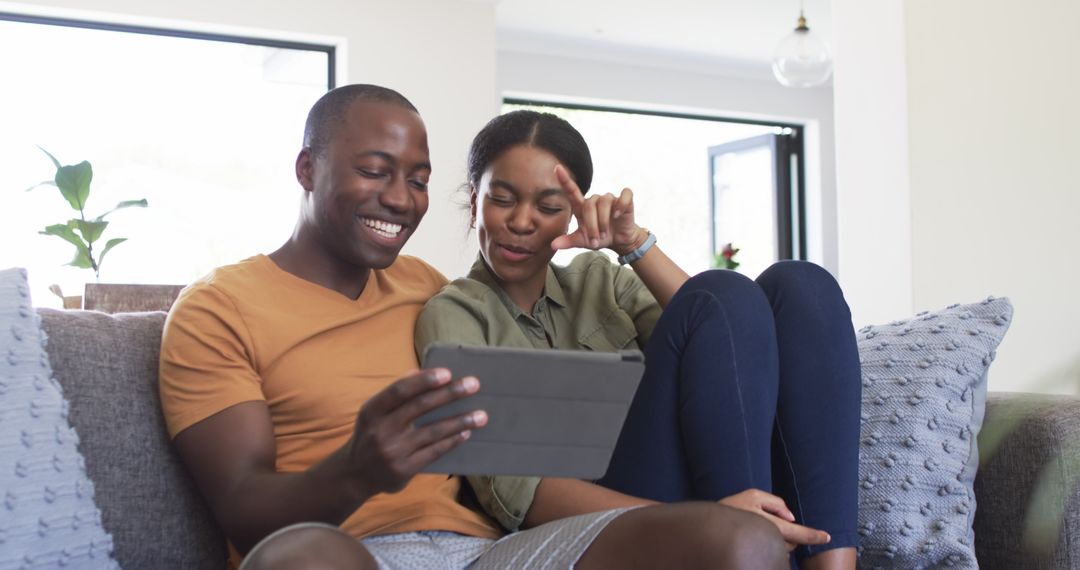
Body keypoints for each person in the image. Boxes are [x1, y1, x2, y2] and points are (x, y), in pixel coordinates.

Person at [159, 85, 790, 570]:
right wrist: (358, 469)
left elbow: (712, 333)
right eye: (376, 171)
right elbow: (243, 510)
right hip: (350, 550)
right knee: (303, 558)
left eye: (418, 179)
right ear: (307, 170)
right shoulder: (219, 309)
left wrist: (622, 246)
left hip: (490, 553)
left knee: (738, 538)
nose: (402, 198)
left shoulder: (428, 288)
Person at [414, 110, 862, 569]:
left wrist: (631, 244)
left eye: (548, 207)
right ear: (474, 202)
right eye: (502, 200)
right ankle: (744, 548)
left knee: (801, 285)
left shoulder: (599, 280)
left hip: (685, 480)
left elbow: (724, 329)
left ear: (572, 214)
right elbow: (515, 490)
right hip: (603, 515)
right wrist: (702, 519)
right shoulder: (455, 314)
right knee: (724, 291)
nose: (522, 222)